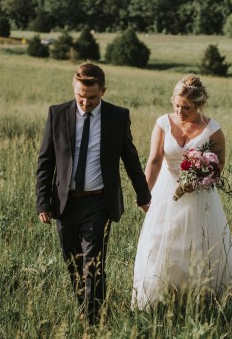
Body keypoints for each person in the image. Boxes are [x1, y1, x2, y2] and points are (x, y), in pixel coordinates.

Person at [36, 62, 151, 324]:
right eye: (80, 97)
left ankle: (94, 321)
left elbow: (130, 159)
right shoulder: (57, 114)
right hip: (65, 204)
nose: (85, 103)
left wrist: (144, 196)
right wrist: (43, 201)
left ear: (103, 91)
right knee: (73, 265)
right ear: (73, 89)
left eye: (91, 98)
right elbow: (46, 162)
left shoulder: (117, 116)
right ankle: (87, 310)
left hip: (99, 203)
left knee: (93, 267)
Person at [132, 74, 232, 310]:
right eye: (176, 105)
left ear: (199, 105)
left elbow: (219, 164)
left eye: (187, 107)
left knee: (200, 243)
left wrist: (201, 179)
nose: (180, 112)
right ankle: (159, 297)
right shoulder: (163, 123)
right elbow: (154, 161)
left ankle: (205, 298)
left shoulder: (213, 130)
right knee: (161, 242)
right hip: (165, 192)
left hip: (200, 196)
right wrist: (144, 194)